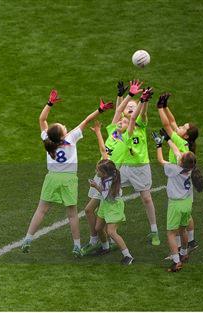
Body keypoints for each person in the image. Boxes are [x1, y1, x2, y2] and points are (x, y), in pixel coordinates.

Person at [20, 89, 113, 257]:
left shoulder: (47, 140)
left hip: (52, 178)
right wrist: (100, 110)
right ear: (63, 134)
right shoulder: (71, 138)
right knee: (71, 214)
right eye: (62, 126)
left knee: (41, 210)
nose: (64, 125)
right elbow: (87, 120)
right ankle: (77, 246)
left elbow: (41, 119)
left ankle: (27, 239)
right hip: (69, 179)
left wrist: (49, 103)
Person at [81, 80, 139, 255]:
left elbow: (104, 153)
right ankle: (102, 242)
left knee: (89, 209)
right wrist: (121, 94)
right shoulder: (114, 135)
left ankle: (96, 240)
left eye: (123, 123)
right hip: (101, 175)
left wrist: (131, 96)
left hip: (107, 179)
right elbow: (118, 112)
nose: (120, 121)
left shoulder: (124, 143)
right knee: (90, 210)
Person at [153, 133, 203, 272]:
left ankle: (176, 262)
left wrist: (158, 144)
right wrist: (168, 139)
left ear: (181, 161)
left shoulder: (173, 169)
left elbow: (160, 160)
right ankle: (184, 253)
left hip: (175, 205)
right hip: (187, 203)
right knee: (183, 230)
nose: (180, 153)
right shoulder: (191, 168)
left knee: (171, 233)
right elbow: (177, 151)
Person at [157, 93, 200, 252]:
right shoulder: (185, 141)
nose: (180, 126)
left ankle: (179, 250)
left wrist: (159, 108)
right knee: (186, 215)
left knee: (176, 224)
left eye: (184, 127)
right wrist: (166, 106)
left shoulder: (179, 141)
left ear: (186, 135)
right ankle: (192, 240)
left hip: (177, 177)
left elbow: (167, 125)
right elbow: (173, 122)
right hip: (185, 184)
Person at [119, 85, 161, 246]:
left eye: (133, 107)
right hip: (124, 166)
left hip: (141, 167)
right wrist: (122, 96)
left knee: (146, 198)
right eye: (128, 107)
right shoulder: (121, 125)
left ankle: (154, 230)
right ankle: (110, 228)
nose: (130, 108)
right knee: (110, 191)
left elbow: (143, 113)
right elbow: (120, 110)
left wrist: (144, 101)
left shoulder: (141, 124)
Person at [88, 159, 134, 265]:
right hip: (106, 205)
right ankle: (105, 247)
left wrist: (95, 186)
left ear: (104, 173)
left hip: (113, 207)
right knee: (98, 227)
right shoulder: (107, 177)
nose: (96, 171)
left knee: (111, 232)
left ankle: (128, 256)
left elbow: (106, 195)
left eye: (98, 170)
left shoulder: (110, 182)